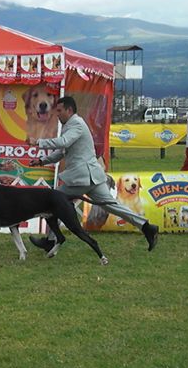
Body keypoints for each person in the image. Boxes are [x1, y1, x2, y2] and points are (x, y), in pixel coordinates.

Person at [26, 96, 158, 252]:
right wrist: (42, 161)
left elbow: (63, 142)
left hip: (82, 178)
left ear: (69, 110)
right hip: (91, 177)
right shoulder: (71, 126)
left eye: (60, 111)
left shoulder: (76, 124)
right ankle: (146, 227)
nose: (57, 114)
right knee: (112, 206)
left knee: (54, 201)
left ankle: (51, 240)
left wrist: (38, 142)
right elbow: (62, 151)